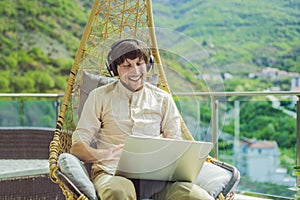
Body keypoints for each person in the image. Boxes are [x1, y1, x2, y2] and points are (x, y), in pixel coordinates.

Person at [70, 38, 213, 200]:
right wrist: (106, 154)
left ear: (148, 64)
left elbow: (174, 142)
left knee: (197, 197)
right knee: (117, 192)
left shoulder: (163, 98)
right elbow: (77, 147)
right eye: (127, 65)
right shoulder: (99, 96)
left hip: (158, 178)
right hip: (112, 173)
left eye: (140, 64)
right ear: (115, 69)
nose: (135, 71)